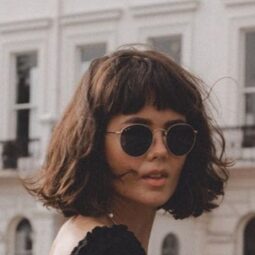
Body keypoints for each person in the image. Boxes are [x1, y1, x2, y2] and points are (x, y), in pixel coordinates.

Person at [26, 47, 229, 255]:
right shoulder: (106, 246)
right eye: (136, 136)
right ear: (93, 142)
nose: (160, 150)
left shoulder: (81, 233)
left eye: (178, 136)